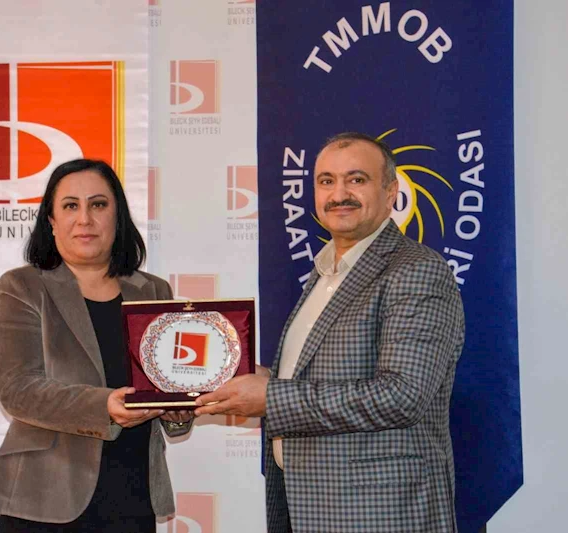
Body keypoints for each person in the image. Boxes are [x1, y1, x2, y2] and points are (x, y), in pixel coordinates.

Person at [196, 132, 465, 533]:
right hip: (307, 506)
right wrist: (262, 378)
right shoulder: (325, 273)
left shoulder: (415, 270)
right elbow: (325, 375)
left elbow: (402, 395)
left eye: (356, 179)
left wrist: (271, 396)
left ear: (391, 193)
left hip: (380, 514)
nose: (339, 194)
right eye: (326, 181)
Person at [0, 159, 193, 533]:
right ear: (51, 220)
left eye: (98, 204)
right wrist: (104, 406)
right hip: (43, 499)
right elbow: (17, 390)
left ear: (117, 216)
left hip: (132, 494)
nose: (85, 219)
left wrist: (179, 410)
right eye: (70, 206)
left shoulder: (154, 290)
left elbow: (167, 383)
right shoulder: (22, 287)